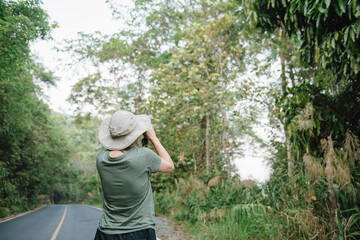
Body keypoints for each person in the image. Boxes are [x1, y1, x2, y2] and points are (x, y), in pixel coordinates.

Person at [94, 110, 174, 240]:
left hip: (106, 232)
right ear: (134, 134)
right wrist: (153, 138)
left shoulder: (101, 158)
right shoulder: (143, 155)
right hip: (139, 231)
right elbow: (169, 166)